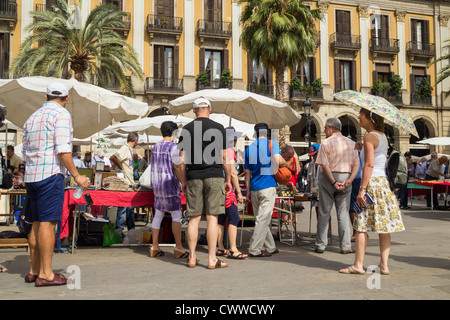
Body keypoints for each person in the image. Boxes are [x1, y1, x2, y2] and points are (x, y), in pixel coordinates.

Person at [22, 82, 90, 286]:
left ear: (46, 96)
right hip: (50, 175)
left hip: (32, 175)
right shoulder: (61, 114)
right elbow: (63, 150)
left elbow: (24, 151)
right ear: (66, 98)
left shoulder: (32, 117)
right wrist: (77, 175)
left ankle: (33, 270)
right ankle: (46, 274)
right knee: (47, 224)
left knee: (35, 223)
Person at [339, 108, 405, 275]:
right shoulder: (381, 136)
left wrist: (362, 190)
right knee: (384, 226)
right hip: (383, 184)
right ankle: (384, 265)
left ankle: (358, 265)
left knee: (361, 225)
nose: (358, 116)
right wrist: (361, 147)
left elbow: (369, 165)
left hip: (370, 184)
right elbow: (377, 156)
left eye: (362, 114)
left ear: (371, 118)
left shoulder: (369, 137)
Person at [177, 98, 232, 269]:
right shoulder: (218, 128)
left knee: (193, 218)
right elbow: (225, 157)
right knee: (212, 218)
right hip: (215, 175)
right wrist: (228, 179)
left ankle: (192, 257)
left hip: (193, 175)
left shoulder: (185, 129)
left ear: (194, 110)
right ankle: (211, 259)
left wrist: (183, 181)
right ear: (210, 109)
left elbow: (179, 162)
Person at [314, 118, 359, 254]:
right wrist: (350, 180)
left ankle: (321, 245)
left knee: (324, 212)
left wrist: (333, 181)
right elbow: (356, 164)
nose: (324, 131)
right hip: (346, 177)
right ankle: (345, 246)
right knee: (343, 213)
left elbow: (324, 165)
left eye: (325, 128)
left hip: (329, 178)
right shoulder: (352, 143)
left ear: (331, 128)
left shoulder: (326, 143)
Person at [244, 123, 287, 257]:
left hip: (255, 187)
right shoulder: (271, 144)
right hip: (267, 186)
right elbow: (280, 161)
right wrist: (284, 163)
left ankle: (271, 247)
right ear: (267, 133)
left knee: (262, 218)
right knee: (263, 220)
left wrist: (248, 190)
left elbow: (247, 172)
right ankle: (255, 249)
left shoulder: (249, 148)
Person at [150, 121, 188, 259]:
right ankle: (178, 247)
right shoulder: (174, 147)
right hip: (170, 185)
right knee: (176, 216)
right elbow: (177, 166)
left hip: (157, 185)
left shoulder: (155, 146)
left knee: (158, 215)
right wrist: (183, 182)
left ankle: (155, 246)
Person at [217, 126, 246, 259]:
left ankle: (220, 248)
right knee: (234, 217)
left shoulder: (216, 150)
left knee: (221, 219)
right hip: (228, 189)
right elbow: (233, 173)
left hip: (217, 188)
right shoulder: (229, 151)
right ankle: (233, 248)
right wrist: (239, 192)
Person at [110, 132, 139, 233]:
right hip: (125, 184)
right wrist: (121, 168)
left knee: (130, 209)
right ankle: (119, 230)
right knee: (122, 209)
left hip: (130, 185)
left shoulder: (129, 150)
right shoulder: (125, 149)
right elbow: (113, 157)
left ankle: (131, 230)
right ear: (135, 141)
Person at [307, 144, 332, 239]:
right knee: (317, 210)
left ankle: (328, 231)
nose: (314, 157)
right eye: (312, 155)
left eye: (315, 155)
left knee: (326, 211)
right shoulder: (311, 164)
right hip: (314, 190)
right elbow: (309, 179)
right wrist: (309, 192)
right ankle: (320, 230)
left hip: (324, 189)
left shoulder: (325, 163)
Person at [349, 149, 363, 241]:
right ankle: (361, 231)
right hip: (360, 178)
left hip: (354, 178)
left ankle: (356, 232)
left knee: (352, 207)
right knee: (359, 206)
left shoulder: (349, 146)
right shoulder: (359, 149)